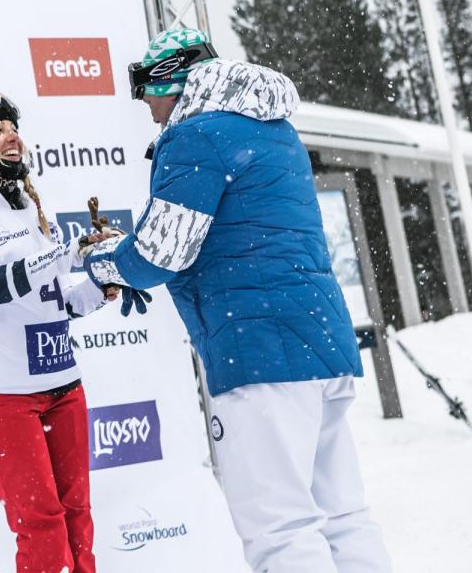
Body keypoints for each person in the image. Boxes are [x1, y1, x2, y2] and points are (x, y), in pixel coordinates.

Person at [83, 28, 392, 573]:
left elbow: (162, 251)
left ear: (171, 79)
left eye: (143, 85)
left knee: (279, 527)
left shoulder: (197, 135)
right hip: (321, 341)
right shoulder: (275, 131)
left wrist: (104, 263)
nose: (144, 103)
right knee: (343, 514)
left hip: (258, 350)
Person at [0, 88, 115, 573]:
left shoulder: (29, 212)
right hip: (3, 397)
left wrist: (101, 283)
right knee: (42, 524)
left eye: (13, 128)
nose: (13, 137)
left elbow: (54, 303)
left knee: (78, 519)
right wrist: (64, 253)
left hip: (63, 387)